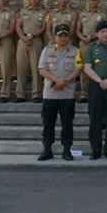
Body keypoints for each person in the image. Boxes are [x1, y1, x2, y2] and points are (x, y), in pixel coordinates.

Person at [36, 24, 82, 161]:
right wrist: (57, 80)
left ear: (69, 37)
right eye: (60, 35)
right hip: (50, 94)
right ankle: (47, 150)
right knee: (48, 123)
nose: (62, 38)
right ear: (54, 37)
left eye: (65, 35)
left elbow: (79, 68)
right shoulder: (47, 50)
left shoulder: (76, 51)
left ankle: (66, 150)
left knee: (67, 124)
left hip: (67, 94)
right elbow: (42, 70)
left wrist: (65, 81)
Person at [82, 20, 107, 160]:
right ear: (97, 34)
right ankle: (96, 150)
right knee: (95, 119)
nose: (106, 34)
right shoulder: (92, 48)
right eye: (102, 31)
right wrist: (100, 81)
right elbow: (87, 67)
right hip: (96, 86)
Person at [76, 0, 107, 102]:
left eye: (95, 0)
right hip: (84, 43)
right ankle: (84, 93)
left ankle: (96, 91)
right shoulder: (82, 14)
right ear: (88, 1)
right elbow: (78, 30)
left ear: (98, 2)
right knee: (85, 68)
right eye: (91, 0)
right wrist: (83, 38)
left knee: (97, 67)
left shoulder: (103, 15)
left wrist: (94, 36)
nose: (93, 2)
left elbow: (105, 30)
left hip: (97, 43)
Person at [15, 0, 46, 103]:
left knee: (36, 68)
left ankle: (36, 94)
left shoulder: (44, 13)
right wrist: (23, 37)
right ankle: (20, 94)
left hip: (36, 41)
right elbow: (18, 26)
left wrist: (33, 36)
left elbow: (44, 27)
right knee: (21, 68)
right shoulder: (22, 12)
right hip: (23, 41)